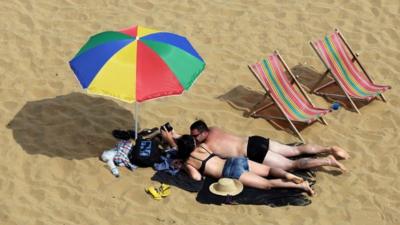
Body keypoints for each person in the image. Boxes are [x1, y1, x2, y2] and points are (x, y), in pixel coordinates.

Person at [162, 120, 349, 172]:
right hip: (256, 140)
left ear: (202, 134)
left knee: (292, 165)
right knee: (295, 150)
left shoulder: (208, 145)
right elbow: (191, 140)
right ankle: (328, 148)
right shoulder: (213, 129)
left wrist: (173, 140)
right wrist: (177, 134)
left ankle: (328, 160)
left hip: (253, 151)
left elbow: (189, 150)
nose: (195, 138)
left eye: (196, 136)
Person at [175, 135, 314, 196]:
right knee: (268, 170)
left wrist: (183, 167)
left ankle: (300, 185)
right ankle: (286, 174)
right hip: (234, 160)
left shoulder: (189, 162)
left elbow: (197, 178)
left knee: (267, 184)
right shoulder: (203, 147)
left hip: (230, 172)